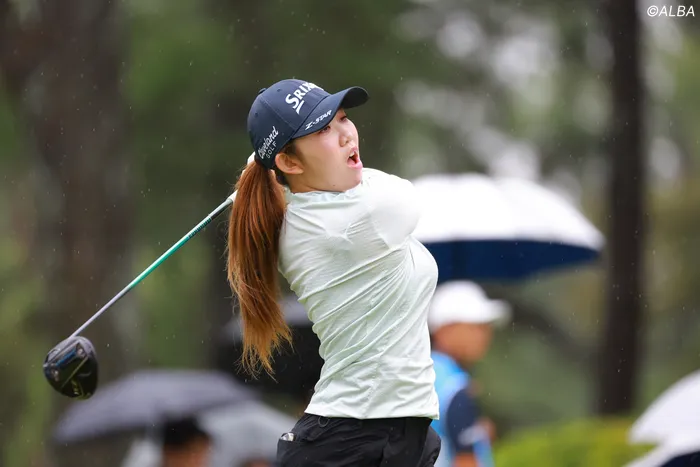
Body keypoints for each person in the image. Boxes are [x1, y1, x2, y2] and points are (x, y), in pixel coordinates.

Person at [226, 78, 442, 466]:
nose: (346, 134)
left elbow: (307, 185)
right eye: (323, 129)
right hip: (354, 440)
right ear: (289, 162)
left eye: (342, 118)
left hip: (386, 436)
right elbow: (402, 195)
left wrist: (268, 168)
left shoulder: (305, 210)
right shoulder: (357, 218)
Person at [427, 281, 510, 467]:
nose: (484, 335)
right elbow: (466, 461)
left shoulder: (424, 373)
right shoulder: (454, 386)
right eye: (475, 327)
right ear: (444, 330)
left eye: (486, 327)